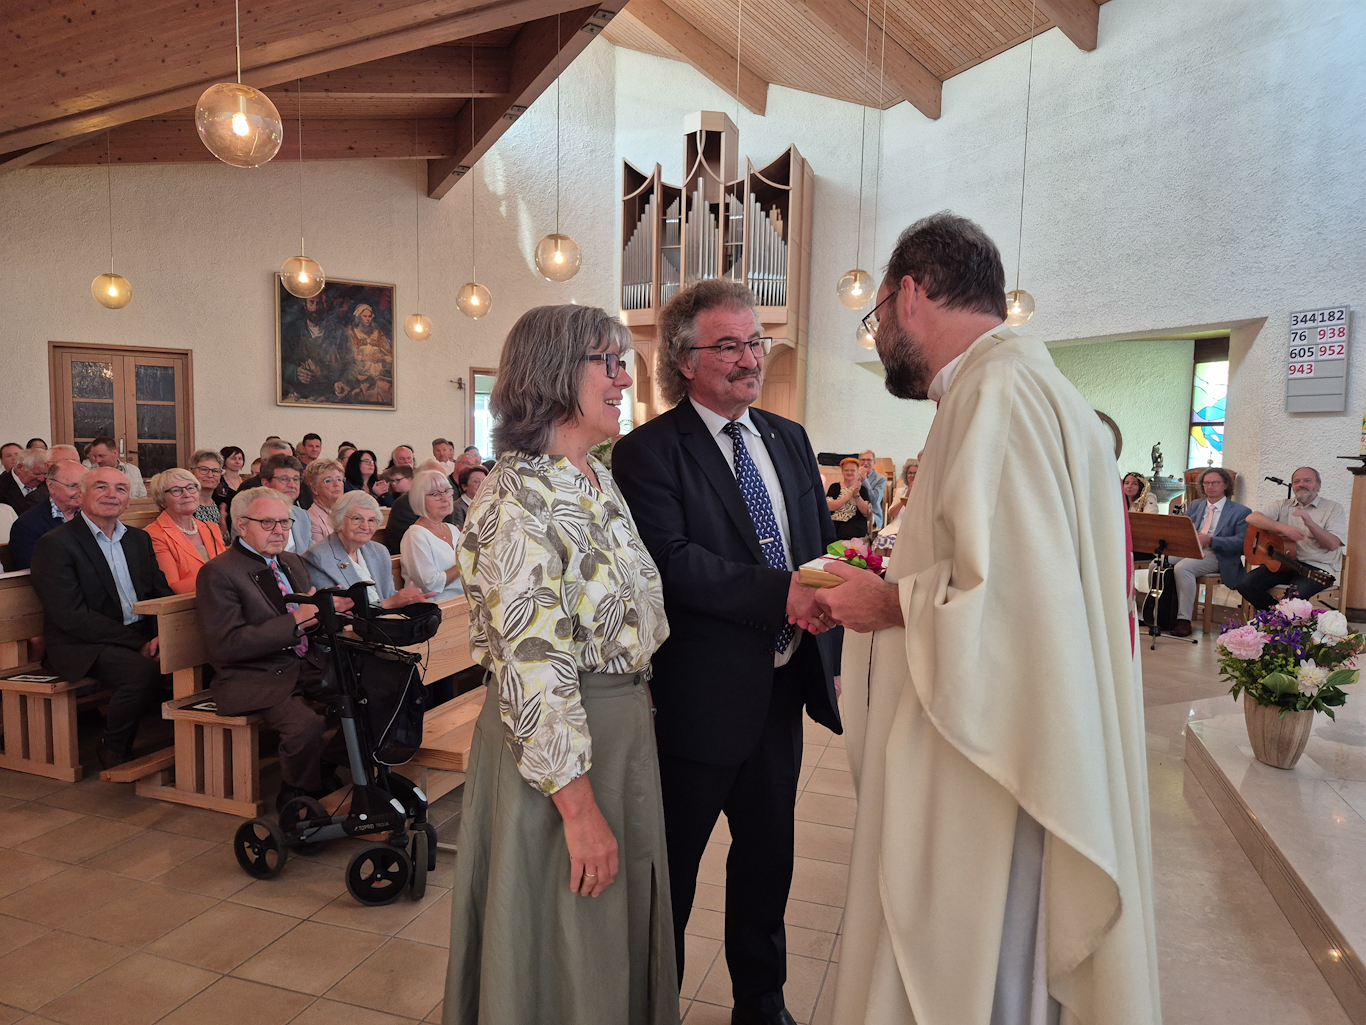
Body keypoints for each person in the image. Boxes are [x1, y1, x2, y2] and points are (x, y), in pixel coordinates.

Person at [813, 213, 1159, 1025]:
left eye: (878, 317)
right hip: (1020, 734)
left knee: (976, 968)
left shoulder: (995, 391)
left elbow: (1013, 599)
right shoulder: (1029, 385)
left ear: (910, 293)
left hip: (992, 759)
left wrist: (885, 600)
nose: (879, 338)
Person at [612, 279, 839, 1025]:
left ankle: (761, 1002)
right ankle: (655, 1005)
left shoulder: (788, 437)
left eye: (756, 342)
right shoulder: (647, 452)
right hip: (698, 700)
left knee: (768, 861)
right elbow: (672, 563)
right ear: (685, 360)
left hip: (781, 687)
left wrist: (838, 599)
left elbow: (814, 545)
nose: (750, 359)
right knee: (673, 872)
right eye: (730, 346)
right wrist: (785, 593)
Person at [444, 303, 677, 1025]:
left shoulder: (593, 476)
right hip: (558, 750)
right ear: (552, 373)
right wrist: (578, 811)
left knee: (611, 925)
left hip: (619, 728)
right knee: (568, 936)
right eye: (608, 363)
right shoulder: (514, 498)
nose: (624, 380)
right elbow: (533, 668)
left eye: (622, 364)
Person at [197, 487, 334, 810]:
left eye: (285, 523)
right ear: (241, 525)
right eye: (268, 523)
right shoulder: (219, 572)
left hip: (304, 663)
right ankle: (297, 796)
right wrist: (295, 622)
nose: (279, 531)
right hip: (253, 674)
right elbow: (225, 644)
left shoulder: (291, 561)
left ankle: (328, 769)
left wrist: (329, 610)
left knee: (369, 691)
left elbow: (310, 616)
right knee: (306, 726)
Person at [29, 467, 173, 767]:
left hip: (135, 633)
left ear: (128, 500)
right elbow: (70, 615)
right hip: (81, 642)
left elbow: (160, 592)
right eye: (101, 487)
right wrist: (139, 644)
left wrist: (164, 633)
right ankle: (112, 747)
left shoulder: (138, 539)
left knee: (199, 652)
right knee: (140, 672)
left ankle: (187, 742)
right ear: (80, 495)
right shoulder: (55, 544)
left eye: (121, 489)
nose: (111, 495)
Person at [1238, 465, 1346, 610]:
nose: (1301, 484)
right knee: (1245, 585)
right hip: (1283, 563)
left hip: (1316, 569)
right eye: (1296, 481)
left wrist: (1310, 523)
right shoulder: (1283, 505)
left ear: (1318, 486)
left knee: (1293, 599)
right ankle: (1276, 616)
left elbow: (1332, 544)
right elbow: (1252, 518)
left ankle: (1280, 617)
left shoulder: (1333, 508)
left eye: (1307, 481)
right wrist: (1282, 528)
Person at [304, 491, 433, 608]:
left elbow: (388, 595)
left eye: (371, 520)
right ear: (339, 520)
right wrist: (388, 603)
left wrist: (409, 600)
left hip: (385, 622)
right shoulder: (318, 557)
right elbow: (334, 610)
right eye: (357, 519)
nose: (365, 526)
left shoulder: (379, 551)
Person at [1170, 466, 1250, 636]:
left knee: (1183, 567)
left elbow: (1242, 543)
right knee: (1158, 563)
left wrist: (1212, 540)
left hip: (1218, 554)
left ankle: (1184, 620)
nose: (1209, 487)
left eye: (1214, 483)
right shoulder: (1196, 505)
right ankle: (1160, 614)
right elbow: (1185, 528)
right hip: (1192, 548)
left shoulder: (1240, 511)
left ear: (1226, 485)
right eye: (1206, 483)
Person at [144, 468, 228, 594]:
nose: (187, 494)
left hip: (223, 596)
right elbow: (173, 586)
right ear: (162, 501)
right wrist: (223, 579)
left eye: (191, 488)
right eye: (176, 490)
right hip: (188, 603)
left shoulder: (211, 528)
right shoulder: (154, 534)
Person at [400, 470, 464, 601]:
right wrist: (464, 564)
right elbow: (430, 585)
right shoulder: (415, 535)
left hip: (462, 602)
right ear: (420, 499)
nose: (445, 499)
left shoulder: (453, 529)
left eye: (447, 491)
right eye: (436, 494)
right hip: (436, 606)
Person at [9, 458, 84, 568]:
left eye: (84, 486)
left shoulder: (95, 517)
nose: (80, 492)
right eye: (73, 486)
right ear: (51, 486)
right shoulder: (27, 525)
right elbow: (36, 568)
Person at [259, 454, 313, 554]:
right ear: (266, 483)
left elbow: (311, 554)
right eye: (284, 479)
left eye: (296, 479)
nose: (292, 485)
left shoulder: (302, 515)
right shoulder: (252, 516)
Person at [826, 457, 871, 541]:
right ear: (842, 471)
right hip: (834, 521)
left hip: (855, 523)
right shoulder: (834, 487)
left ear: (857, 471)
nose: (849, 473)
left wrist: (856, 495)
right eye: (846, 470)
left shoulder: (862, 489)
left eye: (852, 470)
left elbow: (865, 511)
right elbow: (829, 507)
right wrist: (848, 497)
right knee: (827, 531)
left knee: (848, 532)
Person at [303, 458, 346, 545]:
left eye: (339, 479)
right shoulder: (311, 520)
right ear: (315, 489)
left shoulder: (347, 512)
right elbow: (320, 552)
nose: (336, 484)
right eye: (328, 480)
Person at [0, 447, 50, 515]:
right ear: (20, 468)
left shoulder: (50, 484)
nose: (42, 479)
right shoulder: (2, 486)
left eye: (45, 474)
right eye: (37, 474)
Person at [185, 449, 225, 533]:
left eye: (215, 471)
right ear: (190, 473)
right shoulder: (185, 505)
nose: (210, 475)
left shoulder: (223, 504)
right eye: (204, 470)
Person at [215, 446, 247, 529]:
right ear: (224, 461)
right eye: (233, 458)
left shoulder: (245, 481)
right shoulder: (218, 481)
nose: (237, 462)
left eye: (240, 459)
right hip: (223, 521)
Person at [858, 450, 886, 529]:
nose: (865, 463)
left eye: (869, 460)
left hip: (872, 513)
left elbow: (874, 500)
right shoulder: (853, 476)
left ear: (874, 462)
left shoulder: (881, 479)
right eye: (863, 460)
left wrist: (864, 480)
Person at [452, 464, 486, 529]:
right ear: (464, 486)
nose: (481, 484)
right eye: (476, 481)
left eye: (484, 481)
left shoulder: (488, 504)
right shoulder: (457, 507)